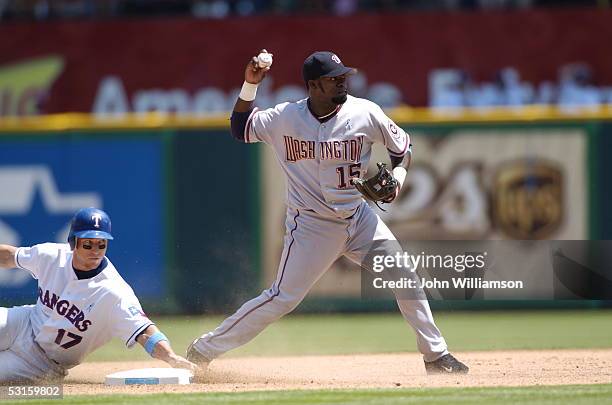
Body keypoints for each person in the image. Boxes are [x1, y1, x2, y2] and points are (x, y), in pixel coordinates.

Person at [186, 50, 468, 374]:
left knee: (404, 274)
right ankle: (202, 350)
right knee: (282, 298)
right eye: (334, 79)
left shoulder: (365, 112)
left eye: (344, 77)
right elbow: (239, 127)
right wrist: (250, 85)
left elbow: (402, 150)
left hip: (359, 219)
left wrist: (398, 181)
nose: (342, 83)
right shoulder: (284, 118)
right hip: (311, 227)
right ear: (314, 86)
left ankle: (436, 356)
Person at [0, 207, 198, 383]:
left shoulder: (114, 293)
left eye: (101, 244)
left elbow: (145, 332)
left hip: (42, 363)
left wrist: (172, 357)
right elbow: (10, 256)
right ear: (72, 242)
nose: (95, 251)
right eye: (88, 244)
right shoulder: (51, 256)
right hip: (22, 323)